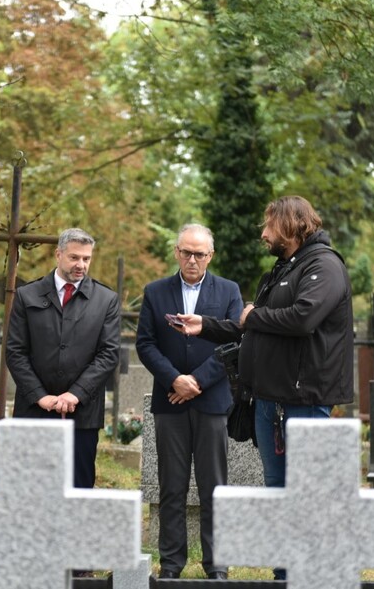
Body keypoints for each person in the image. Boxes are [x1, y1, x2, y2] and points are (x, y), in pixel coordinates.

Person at [177, 196, 353, 580]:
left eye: (268, 225)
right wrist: (206, 325)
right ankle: (284, 573)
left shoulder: (324, 265)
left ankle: (309, 573)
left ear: (290, 225)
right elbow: (251, 326)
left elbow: (303, 318)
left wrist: (255, 315)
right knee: (276, 488)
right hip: (270, 401)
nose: (263, 234)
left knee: (305, 491)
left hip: (304, 400)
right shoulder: (282, 268)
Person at [135, 223, 243, 580]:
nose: (192, 260)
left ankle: (217, 564)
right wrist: (174, 379)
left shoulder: (228, 291)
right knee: (171, 485)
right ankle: (170, 563)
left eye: (199, 254)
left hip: (212, 401)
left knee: (215, 487)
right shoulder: (155, 291)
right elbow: (145, 343)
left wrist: (196, 380)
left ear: (210, 256)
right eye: (186, 252)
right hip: (170, 401)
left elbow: (234, 341)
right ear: (176, 252)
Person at [7, 227, 120, 490]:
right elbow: (15, 351)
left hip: (82, 413)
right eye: (74, 257)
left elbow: (108, 353)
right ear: (58, 254)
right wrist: (40, 396)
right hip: (34, 410)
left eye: (86, 258)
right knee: (30, 488)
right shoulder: (27, 295)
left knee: (78, 488)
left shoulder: (106, 300)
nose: (81, 265)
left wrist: (75, 394)